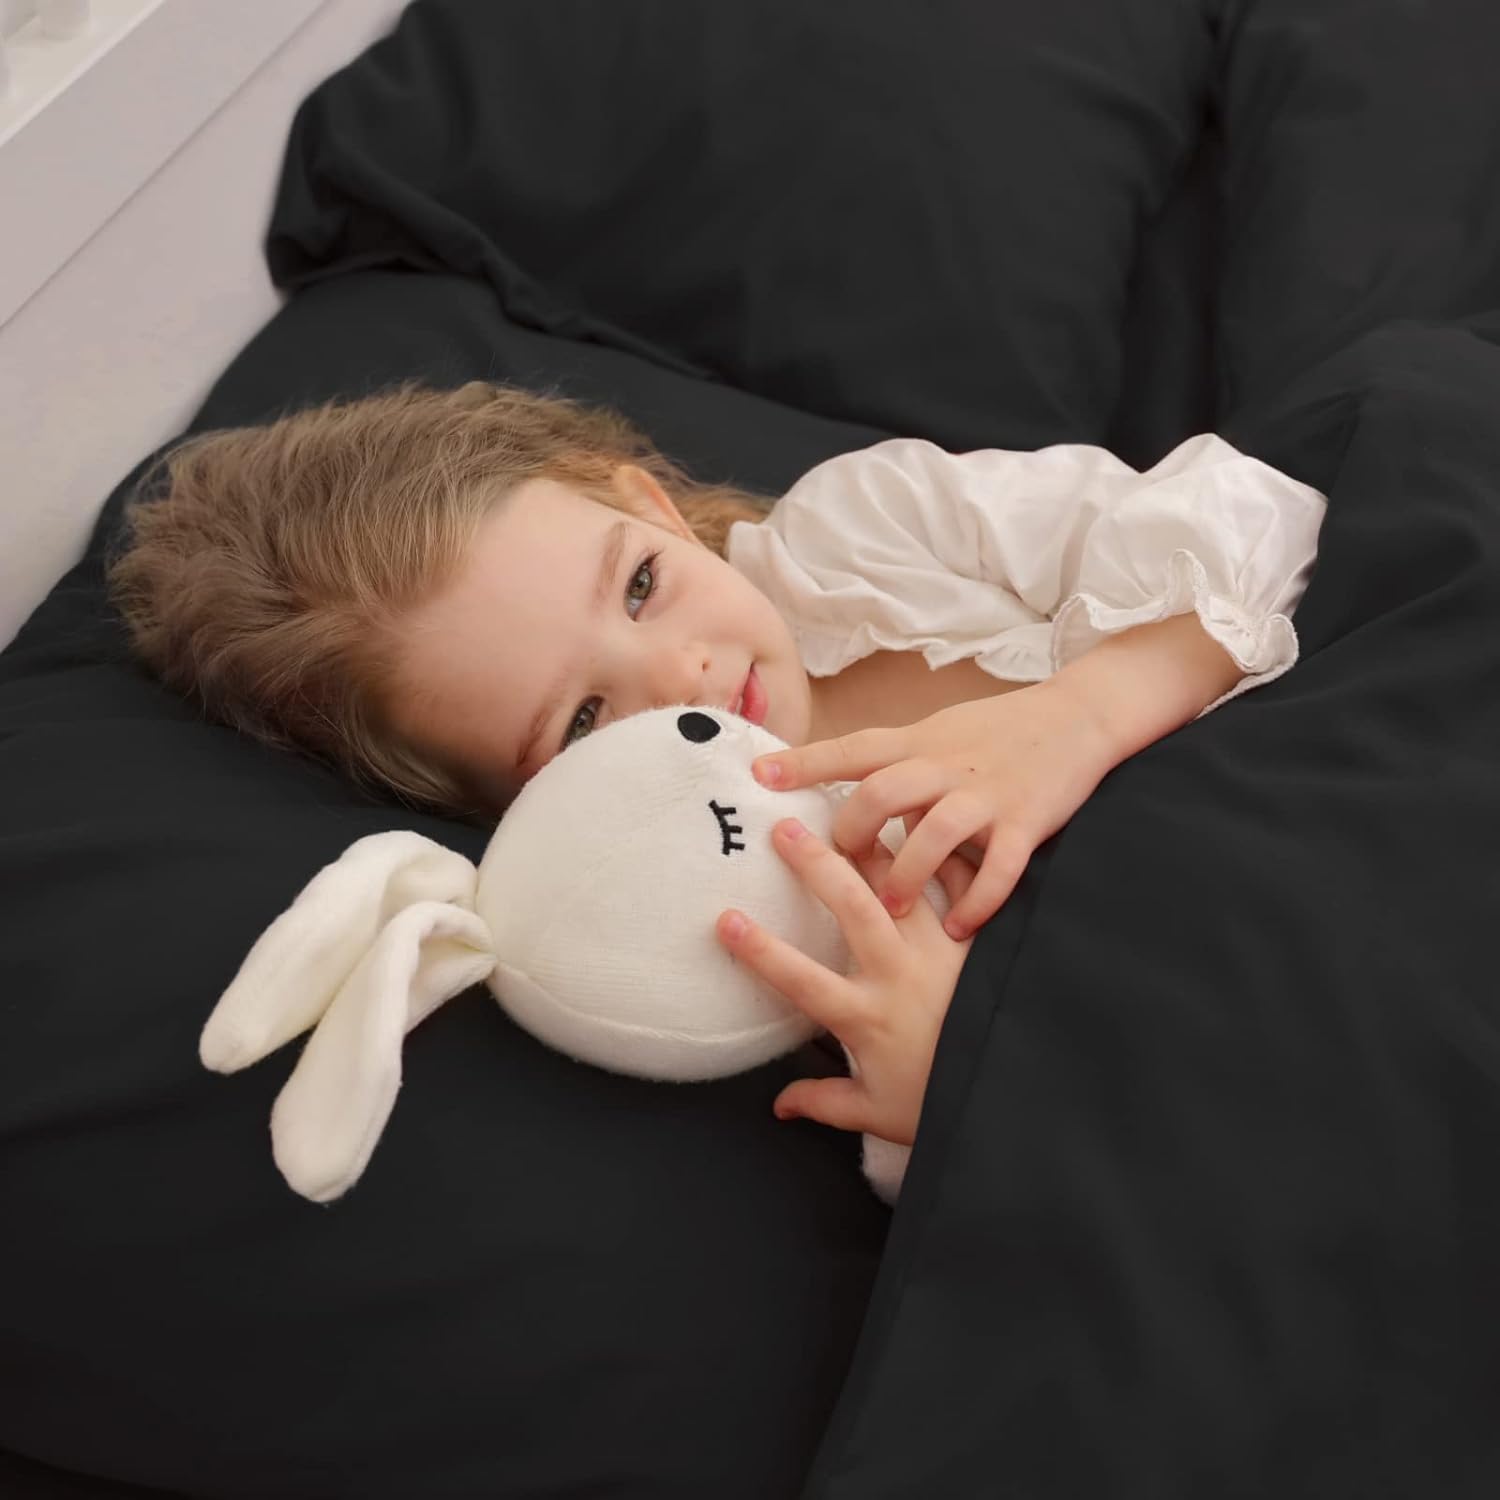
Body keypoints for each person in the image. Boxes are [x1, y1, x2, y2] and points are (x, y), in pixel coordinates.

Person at [106, 380, 1327, 1157]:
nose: (682, 673)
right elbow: (1036, 1160)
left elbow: (1253, 514)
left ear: (647, 504)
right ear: (515, 804)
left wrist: (1080, 715)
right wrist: (941, 1084)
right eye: (583, 718)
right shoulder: (717, 911)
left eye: (641, 585)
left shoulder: (869, 539)